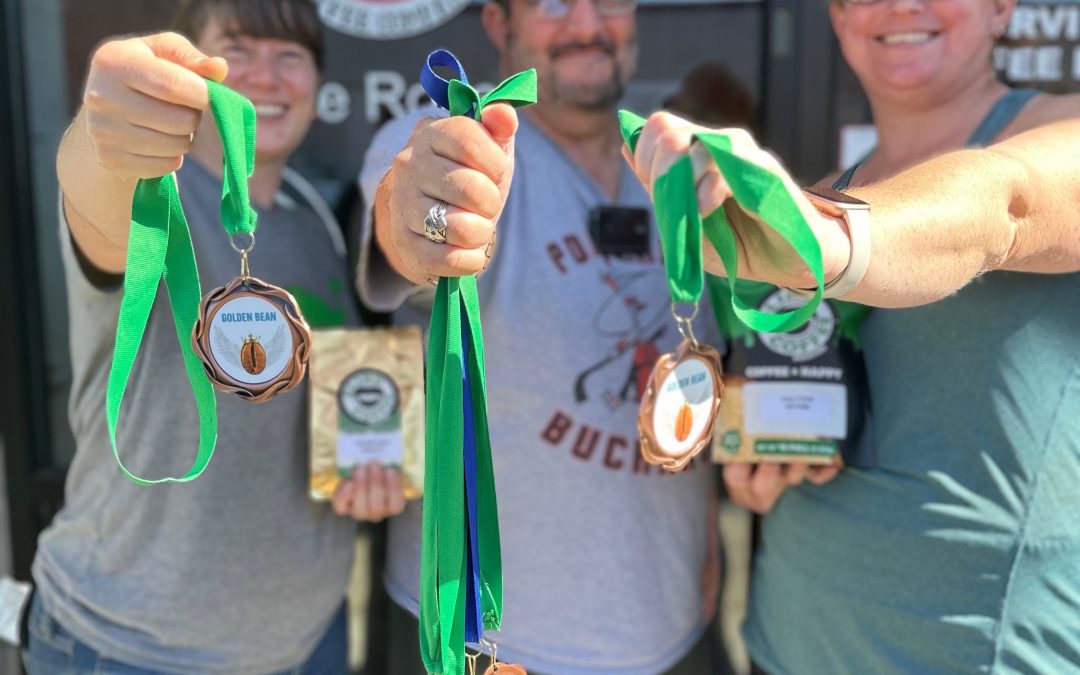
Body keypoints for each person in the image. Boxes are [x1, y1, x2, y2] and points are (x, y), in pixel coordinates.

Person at [25, 0, 512, 672]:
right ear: (194, 74)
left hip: (309, 641)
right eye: (238, 50)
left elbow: (340, 399)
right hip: (124, 642)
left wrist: (369, 466)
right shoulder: (149, 197)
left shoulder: (319, 223)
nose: (266, 75)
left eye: (289, 55)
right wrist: (103, 134)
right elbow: (92, 182)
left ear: (318, 83)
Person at [625, 0, 1080, 672]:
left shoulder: (1061, 132)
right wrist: (767, 458)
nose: (900, 4)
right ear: (839, 20)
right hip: (785, 644)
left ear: (1001, 7)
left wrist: (825, 240)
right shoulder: (820, 195)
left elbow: (1002, 205)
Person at [357, 0, 731, 672]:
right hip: (485, 645)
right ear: (499, 24)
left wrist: (706, 535)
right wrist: (426, 215)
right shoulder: (466, 144)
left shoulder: (678, 162)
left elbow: (697, 373)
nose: (586, 25)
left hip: (674, 630)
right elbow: (407, 215)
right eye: (553, 3)